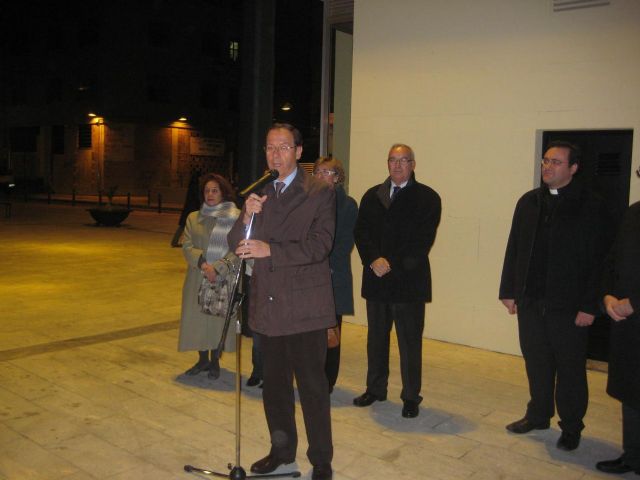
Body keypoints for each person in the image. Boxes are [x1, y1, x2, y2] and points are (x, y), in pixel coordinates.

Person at [228, 123, 336, 480]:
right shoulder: (260, 191)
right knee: (274, 390)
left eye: (284, 147)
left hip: (305, 309)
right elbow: (236, 244)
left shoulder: (319, 191)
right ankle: (281, 449)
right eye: (270, 148)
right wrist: (247, 216)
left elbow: (321, 245)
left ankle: (321, 459)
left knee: (312, 389)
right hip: (268, 307)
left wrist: (270, 249)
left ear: (299, 152)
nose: (276, 154)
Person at [499, 140, 609, 451]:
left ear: (574, 168)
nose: (547, 167)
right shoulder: (529, 202)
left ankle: (572, 426)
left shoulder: (592, 206)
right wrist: (508, 290)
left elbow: (600, 261)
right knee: (537, 362)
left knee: (571, 369)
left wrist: (590, 305)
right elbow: (514, 248)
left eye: (556, 162)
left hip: (570, 306)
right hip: (532, 302)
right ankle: (538, 414)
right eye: (546, 161)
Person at [352, 143, 441, 419]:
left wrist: (391, 264)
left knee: (409, 343)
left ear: (413, 164)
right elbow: (361, 232)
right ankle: (375, 388)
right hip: (376, 280)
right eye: (393, 160)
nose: (397, 165)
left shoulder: (428, 197)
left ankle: (411, 396)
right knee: (376, 339)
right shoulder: (371, 195)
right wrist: (373, 259)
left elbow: (422, 241)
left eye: (404, 160)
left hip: (408, 283)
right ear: (387, 163)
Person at [178, 173, 241, 379]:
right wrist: (204, 265)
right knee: (196, 319)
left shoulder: (235, 216)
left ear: (223, 192)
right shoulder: (193, 217)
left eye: (215, 190)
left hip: (223, 278)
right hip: (198, 275)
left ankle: (215, 361)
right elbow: (187, 245)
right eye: (207, 191)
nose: (210, 194)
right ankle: (202, 359)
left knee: (217, 321)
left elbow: (239, 249)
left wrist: (219, 267)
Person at [595, 194, 640, 475]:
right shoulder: (634, 213)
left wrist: (634, 302)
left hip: (632, 308)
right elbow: (613, 258)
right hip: (627, 320)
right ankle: (633, 455)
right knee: (632, 391)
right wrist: (608, 295)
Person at [312, 157, 358, 393]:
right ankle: (310, 377)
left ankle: (327, 382)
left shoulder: (348, 205)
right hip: (307, 277)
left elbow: (343, 244)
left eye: (326, 172)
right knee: (309, 332)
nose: (319, 176)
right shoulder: (307, 202)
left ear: (338, 177)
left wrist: (316, 262)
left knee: (331, 332)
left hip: (331, 276)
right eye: (317, 172)